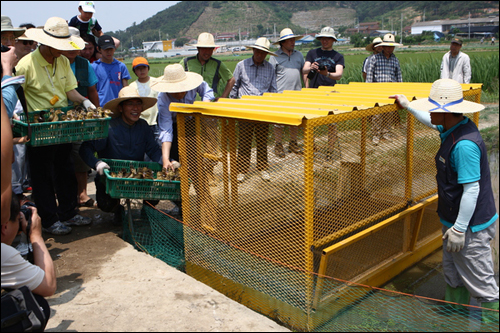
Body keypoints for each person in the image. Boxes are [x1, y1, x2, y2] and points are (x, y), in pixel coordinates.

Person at [390, 79, 499, 323]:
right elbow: (431, 121)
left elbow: (471, 190)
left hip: (470, 228)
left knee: (484, 288)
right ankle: (455, 321)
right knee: (453, 275)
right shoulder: (453, 127)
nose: (430, 110)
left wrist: (460, 229)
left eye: (433, 106)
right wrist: (408, 106)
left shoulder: (464, 146)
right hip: (454, 224)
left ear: (446, 112)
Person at [15, 17, 95, 235]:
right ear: (45, 43)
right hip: (39, 127)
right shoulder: (26, 64)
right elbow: (16, 95)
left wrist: (85, 101)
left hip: (61, 124)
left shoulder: (62, 61)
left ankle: (68, 212)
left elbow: (69, 90)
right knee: (42, 174)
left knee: (65, 167)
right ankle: (49, 219)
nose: (62, 49)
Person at [79, 86, 161, 225]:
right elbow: (85, 149)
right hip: (112, 178)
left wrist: (166, 161)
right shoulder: (108, 127)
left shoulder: (143, 126)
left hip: (136, 176)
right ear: (121, 108)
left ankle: (147, 211)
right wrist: (97, 163)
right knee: (106, 204)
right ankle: (117, 209)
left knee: (156, 191)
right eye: (130, 104)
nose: (135, 108)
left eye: (138, 103)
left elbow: (153, 149)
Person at [151, 64, 214, 215]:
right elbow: (166, 130)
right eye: (175, 90)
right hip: (173, 126)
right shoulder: (163, 99)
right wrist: (165, 158)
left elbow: (208, 91)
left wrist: (202, 106)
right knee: (176, 167)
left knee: (196, 167)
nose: (179, 93)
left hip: (192, 123)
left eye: (181, 89)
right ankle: (182, 205)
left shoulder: (194, 85)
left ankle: (205, 206)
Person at [181, 32, 235, 185]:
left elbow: (231, 79)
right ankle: (191, 174)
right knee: (191, 142)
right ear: (198, 48)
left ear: (214, 50)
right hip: (189, 111)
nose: (206, 52)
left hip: (209, 110)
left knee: (211, 142)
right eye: (203, 49)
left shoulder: (217, 64)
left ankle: (209, 173)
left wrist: (223, 97)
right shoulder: (186, 63)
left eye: (210, 49)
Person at [1, 194, 56, 327]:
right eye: (18, 218)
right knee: (37, 305)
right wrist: (36, 236)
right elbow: (48, 285)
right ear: (5, 226)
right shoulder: (4, 254)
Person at [63, 27, 100, 207]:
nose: (74, 50)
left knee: (80, 155)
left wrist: (97, 114)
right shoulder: (57, 63)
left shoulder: (84, 64)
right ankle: (66, 197)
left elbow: (92, 91)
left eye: (77, 46)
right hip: (60, 119)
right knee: (62, 158)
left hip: (80, 117)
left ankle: (82, 194)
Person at [303, 26, 345, 161]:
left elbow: (338, 75)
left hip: (331, 93)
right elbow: (304, 70)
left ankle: (330, 151)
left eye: (328, 39)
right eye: (323, 38)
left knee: (332, 124)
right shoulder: (312, 53)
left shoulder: (338, 57)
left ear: (333, 40)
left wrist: (326, 73)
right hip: (314, 92)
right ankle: (312, 148)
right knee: (311, 121)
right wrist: (312, 67)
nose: (325, 41)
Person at [269, 28, 304, 158]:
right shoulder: (275, 57)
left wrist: (306, 87)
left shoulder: (299, 55)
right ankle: (278, 145)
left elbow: (303, 73)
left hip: (296, 93)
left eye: (293, 39)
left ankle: (293, 143)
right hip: (280, 94)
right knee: (279, 122)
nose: (292, 42)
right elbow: (270, 76)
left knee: (294, 119)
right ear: (282, 42)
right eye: (289, 40)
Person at [365, 33, 403, 145]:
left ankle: (386, 133)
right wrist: (369, 89)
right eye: (388, 46)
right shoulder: (374, 59)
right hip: (378, 90)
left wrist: (400, 90)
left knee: (389, 113)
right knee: (377, 114)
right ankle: (375, 135)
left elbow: (398, 76)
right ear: (383, 46)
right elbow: (369, 75)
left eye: (392, 46)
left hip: (391, 90)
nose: (390, 48)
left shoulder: (395, 60)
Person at [129, 57, 160, 151]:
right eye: (138, 68)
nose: (142, 70)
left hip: (156, 120)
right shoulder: (132, 86)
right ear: (134, 71)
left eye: (144, 68)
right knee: (143, 148)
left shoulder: (157, 82)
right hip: (141, 121)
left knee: (159, 146)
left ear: (148, 68)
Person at [92, 34, 130, 106]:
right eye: (106, 49)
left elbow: (126, 89)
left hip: (118, 106)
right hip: (101, 106)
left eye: (111, 49)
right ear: (98, 49)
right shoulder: (94, 67)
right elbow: (92, 90)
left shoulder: (121, 66)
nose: (109, 52)